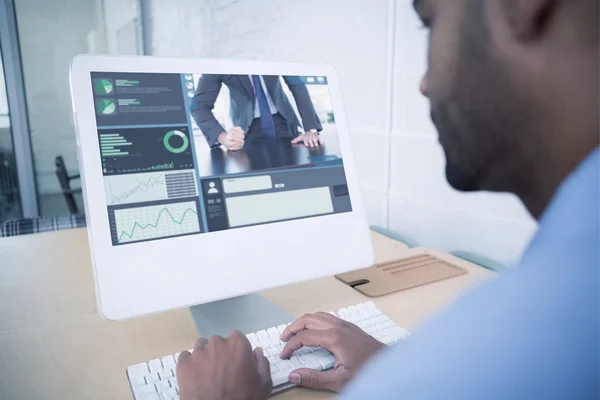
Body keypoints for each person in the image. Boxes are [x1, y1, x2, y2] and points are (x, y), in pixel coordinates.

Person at [176, 0, 599, 398]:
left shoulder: (526, 342)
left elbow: (297, 90)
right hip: (245, 144)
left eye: (429, 21)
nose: (424, 82)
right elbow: (201, 106)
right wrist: (390, 364)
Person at [190, 74, 324, 151]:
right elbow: (199, 106)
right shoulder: (218, 58)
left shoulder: (271, 47)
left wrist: (310, 129)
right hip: (246, 129)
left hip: (284, 122)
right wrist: (223, 137)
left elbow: (297, 84)